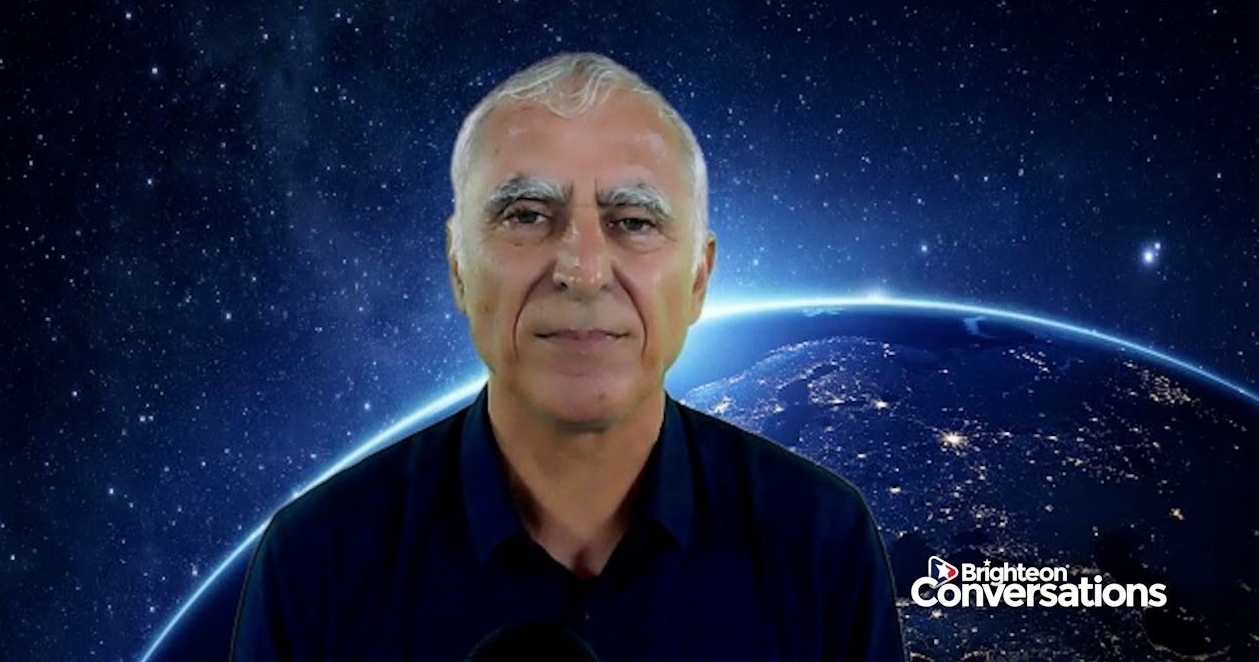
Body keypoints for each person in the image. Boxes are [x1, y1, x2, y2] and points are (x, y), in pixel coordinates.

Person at [231, 52, 907, 661]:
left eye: (633, 222)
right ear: (458, 267)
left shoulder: (822, 544)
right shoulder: (315, 565)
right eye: (527, 215)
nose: (583, 271)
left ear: (698, 278)